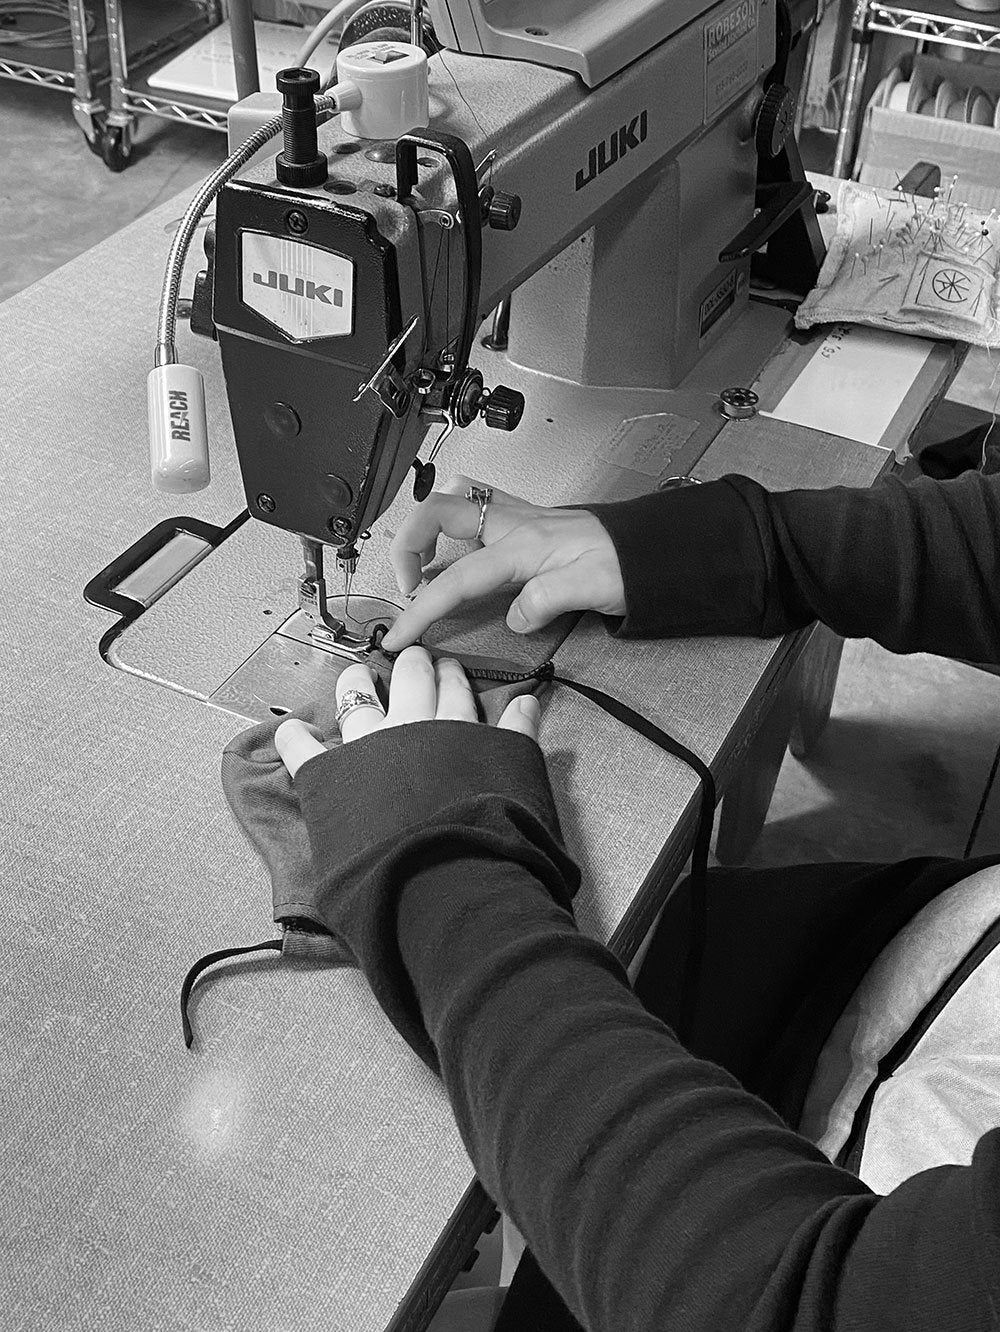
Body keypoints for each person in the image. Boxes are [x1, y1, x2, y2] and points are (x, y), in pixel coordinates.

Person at [273, 466, 1000, 1332]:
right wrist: (736, 547)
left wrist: (439, 879)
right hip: (941, 948)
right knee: (679, 932)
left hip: (853, 1207)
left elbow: (802, 1304)